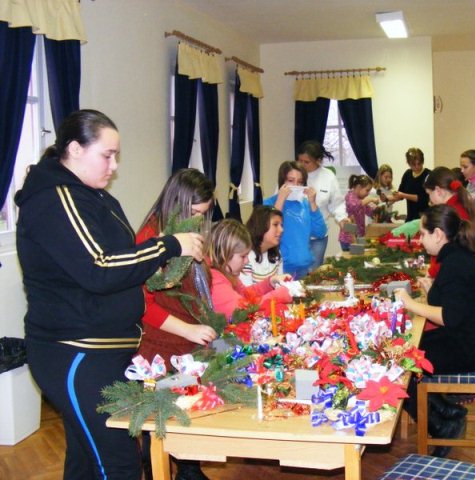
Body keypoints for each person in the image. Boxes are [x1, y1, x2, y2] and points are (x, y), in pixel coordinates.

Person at [14, 110, 204, 479]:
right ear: (75, 149)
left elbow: (117, 260)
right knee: (117, 462)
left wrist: (150, 268)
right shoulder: (55, 199)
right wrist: (167, 245)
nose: (114, 166)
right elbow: (99, 269)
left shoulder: (94, 197)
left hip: (107, 350)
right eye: (107, 155)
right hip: (77, 352)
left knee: (87, 460)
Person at [394, 204, 475, 457]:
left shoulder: (455, 265)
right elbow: (454, 306)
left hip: (472, 349)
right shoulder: (456, 257)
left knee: (401, 363)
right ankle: (448, 412)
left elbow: (449, 317)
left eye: (423, 234)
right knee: (405, 352)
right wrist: (431, 290)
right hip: (467, 337)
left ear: (438, 234)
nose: (420, 240)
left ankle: (441, 425)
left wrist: (410, 304)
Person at [136, 168, 217, 480]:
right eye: (195, 213)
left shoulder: (186, 233)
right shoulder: (151, 239)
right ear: (178, 205)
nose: (198, 221)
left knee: (187, 415)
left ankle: (189, 472)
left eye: (203, 215)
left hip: (185, 347)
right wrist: (190, 330)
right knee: (155, 423)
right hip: (155, 350)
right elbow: (144, 305)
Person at [209, 219, 293, 319]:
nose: (247, 260)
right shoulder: (214, 281)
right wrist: (276, 296)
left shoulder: (227, 273)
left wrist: (270, 283)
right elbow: (242, 313)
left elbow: (246, 295)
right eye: (243, 256)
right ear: (225, 254)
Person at [264, 161, 327, 278]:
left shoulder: (305, 204)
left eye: (300, 182)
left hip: (304, 267)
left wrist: (312, 203)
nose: (296, 185)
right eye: (291, 180)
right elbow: (266, 231)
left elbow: (320, 232)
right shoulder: (269, 203)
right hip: (279, 268)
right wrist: (280, 200)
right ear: (282, 181)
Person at [296, 140, 349, 270]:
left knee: (314, 271)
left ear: (318, 160)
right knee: (296, 272)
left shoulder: (328, 176)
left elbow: (337, 203)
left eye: (306, 162)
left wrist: (342, 218)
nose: (302, 165)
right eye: (299, 160)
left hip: (318, 237)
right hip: (295, 235)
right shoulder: (292, 175)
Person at [423, 166, 475, 278]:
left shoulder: (452, 213)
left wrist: (431, 273)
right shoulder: (454, 207)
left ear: (438, 191)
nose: (429, 200)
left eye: (429, 194)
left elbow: (451, 254)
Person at [240, 205, 284, 286]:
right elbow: (248, 293)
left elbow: (280, 285)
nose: (281, 230)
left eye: (281, 225)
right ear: (260, 226)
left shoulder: (276, 254)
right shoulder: (245, 258)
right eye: (275, 225)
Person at [338, 174, 379, 251]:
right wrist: (369, 199)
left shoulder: (361, 199)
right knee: (352, 257)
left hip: (359, 236)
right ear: (359, 187)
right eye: (367, 190)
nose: (368, 193)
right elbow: (355, 206)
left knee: (360, 255)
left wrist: (375, 211)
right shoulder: (350, 196)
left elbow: (368, 210)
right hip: (348, 238)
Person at [390, 147, 431, 222]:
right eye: (413, 164)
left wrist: (403, 195)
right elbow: (400, 194)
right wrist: (389, 198)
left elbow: (423, 199)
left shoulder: (428, 175)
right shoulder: (407, 174)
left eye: (419, 164)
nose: (417, 167)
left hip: (424, 218)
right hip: (410, 217)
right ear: (408, 163)